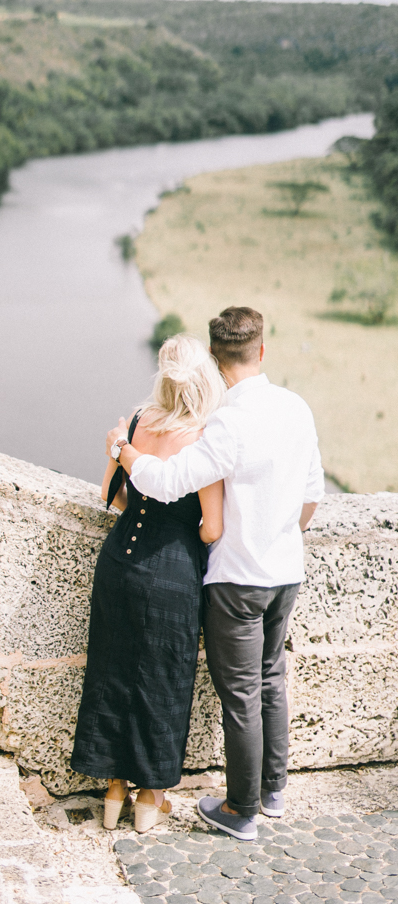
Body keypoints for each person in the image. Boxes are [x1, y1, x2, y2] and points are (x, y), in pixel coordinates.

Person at [111, 306, 323, 841]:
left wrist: (127, 452)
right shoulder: (296, 408)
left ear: (214, 356)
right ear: (262, 350)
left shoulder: (229, 419)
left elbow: (168, 481)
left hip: (239, 579)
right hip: (285, 573)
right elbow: (312, 495)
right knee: (272, 677)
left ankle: (240, 810)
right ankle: (273, 792)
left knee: (242, 696)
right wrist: (282, 536)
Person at [71, 334, 225, 832]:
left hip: (118, 564)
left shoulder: (135, 424)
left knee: (111, 671)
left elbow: (109, 496)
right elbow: (213, 527)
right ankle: (150, 797)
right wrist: (186, 533)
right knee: (163, 682)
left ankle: (113, 792)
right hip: (173, 576)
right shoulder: (205, 437)